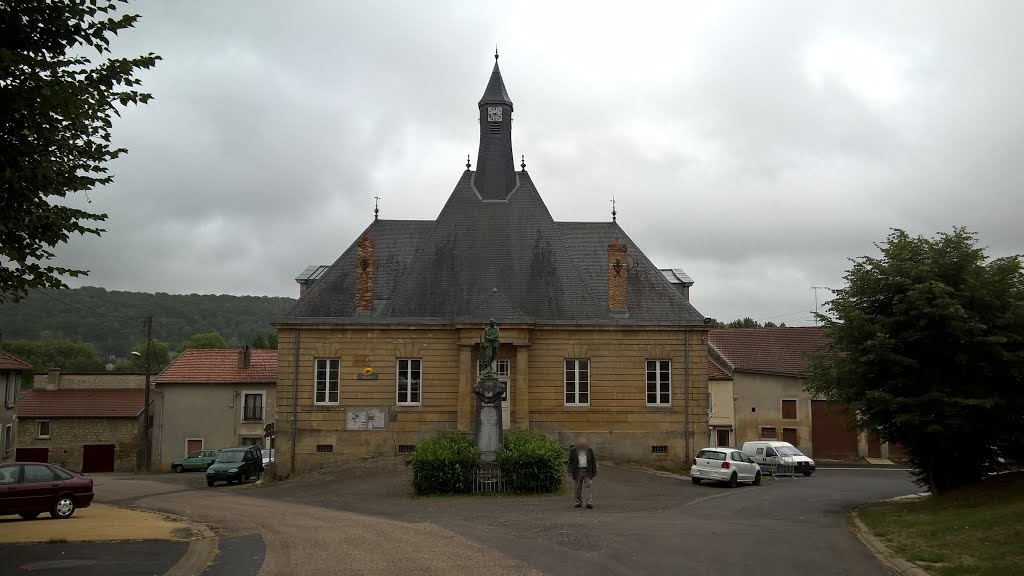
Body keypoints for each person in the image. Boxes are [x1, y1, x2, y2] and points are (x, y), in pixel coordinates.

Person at [568, 440, 597, 509]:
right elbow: (570, 461)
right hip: (578, 471)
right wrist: (569, 470)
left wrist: (594, 471)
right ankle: (578, 502)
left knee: (588, 487)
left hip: (587, 471)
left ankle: (589, 503)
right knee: (578, 488)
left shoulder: (589, 450)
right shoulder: (573, 450)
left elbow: (593, 461)